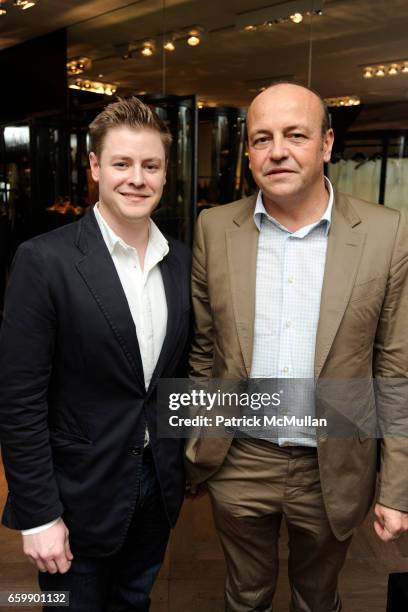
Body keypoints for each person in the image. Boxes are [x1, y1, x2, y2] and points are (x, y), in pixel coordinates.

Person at [185, 83, 408, 612]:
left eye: (295, 135)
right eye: (262, 138)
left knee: (318, 598)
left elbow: (395, 369)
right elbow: (203, 351)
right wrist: (194, 446)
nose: (277, 150)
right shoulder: (214, 228)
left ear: (327, 143)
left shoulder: (385, 231)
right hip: (239, 457)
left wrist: (396, 487)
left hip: (335, 464)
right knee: (245, 596)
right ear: (248, 152)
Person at [0, 96, 191, 611]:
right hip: (74, 498)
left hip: (156, 491)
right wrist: (38, 515)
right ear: (94, 168)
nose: (137, 178)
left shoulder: (182, 263)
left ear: (165, 172)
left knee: (134, 602)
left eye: (150, 165)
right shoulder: (44, 260)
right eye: (122, 164)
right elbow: (19, 401)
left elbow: (177, 378)